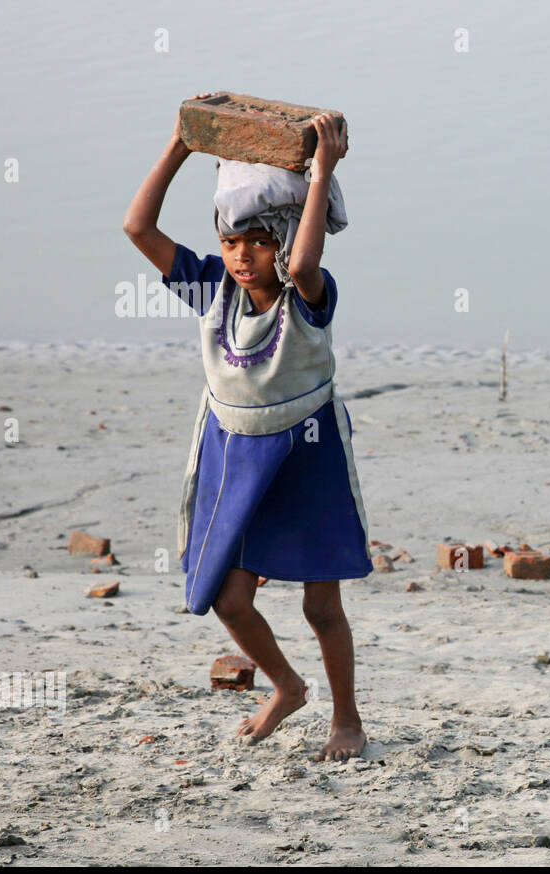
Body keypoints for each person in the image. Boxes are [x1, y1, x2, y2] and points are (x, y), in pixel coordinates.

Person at [123, 95, 371, 760]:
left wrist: (321, 172)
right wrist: (181, 146)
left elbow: (304, 262)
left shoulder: (307, 297)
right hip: (236, 453)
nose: (239, 256)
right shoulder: (212, 292)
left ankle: (346, 719)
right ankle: (287, 687)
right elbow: (137, 227)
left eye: (256, 243)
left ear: (282, 244)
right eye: (230, 242)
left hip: (307, 455)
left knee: (322, 609)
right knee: (229, 599)